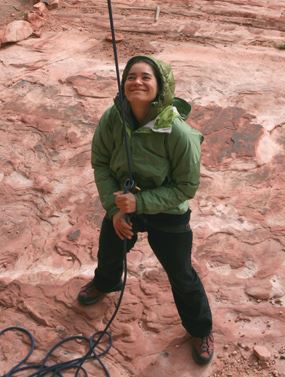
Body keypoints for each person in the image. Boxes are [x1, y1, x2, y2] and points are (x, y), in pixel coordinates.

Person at [77, 55, 214, 365]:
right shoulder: (113, 118)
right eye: (131, 77)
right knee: (111, 244)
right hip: (124, 200)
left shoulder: (179, 132)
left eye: (146, 77)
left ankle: (200, 328)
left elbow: (185, 187)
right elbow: (100, 161)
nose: (136, 82)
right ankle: (107, 281)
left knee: (181, 272)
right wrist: (114, 209)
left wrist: (140, 203)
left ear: (160, 86)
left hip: (167, 209)